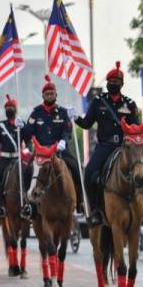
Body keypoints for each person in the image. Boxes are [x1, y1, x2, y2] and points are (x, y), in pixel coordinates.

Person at [72, 61, 143, 226]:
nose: (113, 84)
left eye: (117, 82)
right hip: (105, 146)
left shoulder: (129, 104)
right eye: (111, 82)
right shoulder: (98, 101)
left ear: (122, 84)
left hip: (125, 148)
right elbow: (87, 124)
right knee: (89, 173)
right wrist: (76, 118)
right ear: (107, 83)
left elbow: (135, 127)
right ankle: (95, 211)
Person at [21, 75, 82, 219]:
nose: (49, 96)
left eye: (52, 93)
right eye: (47, 94)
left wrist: (63, 141)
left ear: (56, 95)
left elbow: (67, 130)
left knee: (76, 167)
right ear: (43, 95)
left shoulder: (62, 112)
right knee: (27, 172)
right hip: (41, 153)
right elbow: (28, 133)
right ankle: (29, 205)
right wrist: (21, 127)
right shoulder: (36, 113)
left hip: (59, 150)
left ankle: (80, 202)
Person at [0, 95, 25, 219]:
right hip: (5, 160)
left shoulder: (21, 124)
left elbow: (28, 140)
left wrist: (27, 148)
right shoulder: (1, 125)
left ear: (16, 109)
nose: (9, 109)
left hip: (18, 160)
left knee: (30, 176)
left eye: (12, 107)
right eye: (7, 107)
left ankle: (29, 204)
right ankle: (0, 206)